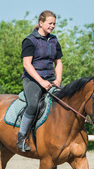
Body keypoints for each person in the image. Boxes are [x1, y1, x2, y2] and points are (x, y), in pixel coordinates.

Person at [17, 10, 63, 152]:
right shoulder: (30, 40)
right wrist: (41, 82)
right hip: (32, 80)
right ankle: (22, 137)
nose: (52, 26)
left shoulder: (54, 40)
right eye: (50, 23)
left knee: (66, 102)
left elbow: (59, 63)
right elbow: (27, 64)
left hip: (51, 79)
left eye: (54, 23)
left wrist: (58, 79)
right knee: (33, 105)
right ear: (41, 23)